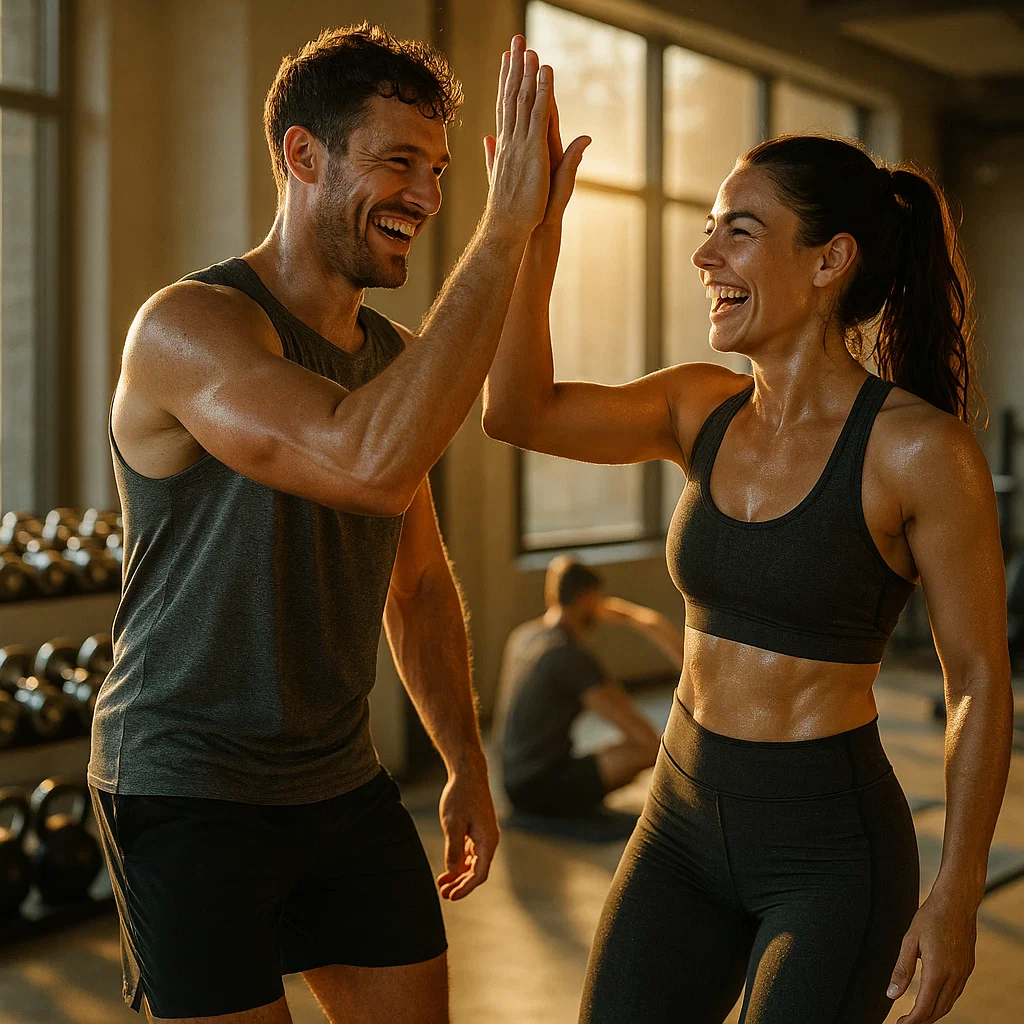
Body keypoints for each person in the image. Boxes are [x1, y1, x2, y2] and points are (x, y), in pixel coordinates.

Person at [482, 83, 1013, 1024]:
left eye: (738, 231)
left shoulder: (919, 451)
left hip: (829, 854)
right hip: (678, 825)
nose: (704, 256)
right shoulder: (700, 407)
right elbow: (517, 411)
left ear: (830, 261)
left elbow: (975, 676)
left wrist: (958, 891)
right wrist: (534, 237)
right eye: (709, 231)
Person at [86, 26, 575, 1024]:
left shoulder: (395, 358)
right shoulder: (189, 326)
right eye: (398, 162)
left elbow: (422, 585)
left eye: (440, 171)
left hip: (336, 779)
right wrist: (505, 233)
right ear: (303, 156)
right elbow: (363, 460)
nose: (429, 199)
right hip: (186, 783)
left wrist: (464, 761)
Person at [495, 556, 680, 817]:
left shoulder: (524, 636)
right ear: (587, 598)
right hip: (538, 788)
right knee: (649, 748)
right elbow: (642, 736)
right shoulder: (568, 657)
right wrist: (638, 619)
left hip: (511, 779)